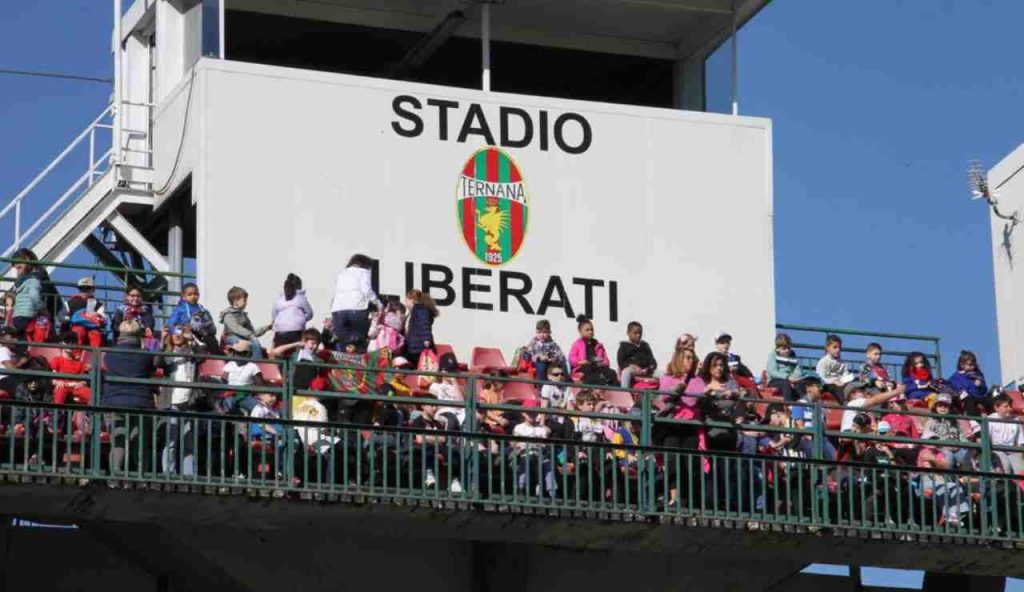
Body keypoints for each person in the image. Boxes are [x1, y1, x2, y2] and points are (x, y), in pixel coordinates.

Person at [102, 320, 162, 472]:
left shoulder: (109, 355)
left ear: (120, 334)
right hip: (141, 402)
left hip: (113, 401)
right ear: (139, 335)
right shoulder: (147, 355)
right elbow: (156, 366)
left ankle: (114, 478)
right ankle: (141, 478)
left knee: (118, 441)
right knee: (139, 442)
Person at [160, 325, 200, 475]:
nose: (177, 335)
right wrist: (162, 341)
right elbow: (157, 362)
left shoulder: (192, 353)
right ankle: (168, 473)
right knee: (171, 441)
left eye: (181, 332)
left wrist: (193, 339)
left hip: (189, 401)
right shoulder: (168, 353)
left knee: (189, 442)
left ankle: (189, 474)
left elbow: (203, 355)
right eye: (174, 332)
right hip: (172, 402)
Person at [686, 351, 744, 452]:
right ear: (708, 367)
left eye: (721, 365)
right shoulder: (702, 382)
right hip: (708, 427)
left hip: (728, 426)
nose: (718, 368)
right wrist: (707, 391)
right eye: (715, 365)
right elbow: (695, 402)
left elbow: (739, 394)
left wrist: (732, 393)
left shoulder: (730, 382)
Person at [330, 254, 383, 352]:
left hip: (337, 311)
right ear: (365, 264)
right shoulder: (363, 272)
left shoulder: (341, 273)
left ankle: (343, 365)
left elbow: (335, 294)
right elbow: (366, 290)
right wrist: (379, 304)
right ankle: (359, 364)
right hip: (356, 309)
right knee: (359, 342)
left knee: (344, 342)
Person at [410, 396, 461, 492]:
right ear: (423, 406)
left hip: (439, 447)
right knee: (427, 448)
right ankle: (429, 475)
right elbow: (419, 439)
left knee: (453, 452)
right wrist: (434, 439)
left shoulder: (438, 423)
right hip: (424, 449)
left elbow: (443, 439)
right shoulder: (418, 421)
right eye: (432, 405)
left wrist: (427, 437)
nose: (435, 408)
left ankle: (454, 481)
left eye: (436, 405)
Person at [512, 399, 555, 497]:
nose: (532, 415)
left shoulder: (542, 428)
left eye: (534, 413)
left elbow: (545, 442)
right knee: (526, 461)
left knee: (547, 464)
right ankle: (521, 488)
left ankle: (552, 492)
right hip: (525, 454)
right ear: (523, 413)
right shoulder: (519, 427)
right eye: (529, 413)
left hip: (540, 455)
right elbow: (516, 443)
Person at [9, 250, 51, 346]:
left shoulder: (21, 281)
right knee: (42, 324)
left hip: (17, 316)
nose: (16, 267)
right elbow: (34, 297)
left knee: (21, 336)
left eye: (18, 264)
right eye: (15, 265)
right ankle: (35, 345)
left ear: (27, 260)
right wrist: (43, 309)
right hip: (28, 315)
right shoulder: (33, 280)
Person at [789, 376, 834, 459]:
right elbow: (799, 426)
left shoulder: (821, 406)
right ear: (809, 388)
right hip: (805, 438)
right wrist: (810, 437)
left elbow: (824, 425)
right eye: (818, 386)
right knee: (815, 452)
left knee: (833, 456)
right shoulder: (800, 404)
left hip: (820, 436)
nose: (821, 389)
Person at [167, 283, 219, 354]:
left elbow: (210, 323)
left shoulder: (203, 310)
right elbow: (171, 324)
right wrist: (182, 330)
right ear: (183, 297)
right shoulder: (180, 309)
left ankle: (218, 357)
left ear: (199, 295)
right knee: (199, 349)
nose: (193, 296)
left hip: (203, 335)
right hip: (188, 337)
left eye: (195, 294)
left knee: (213, 342)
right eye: (190, 295)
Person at [220, 286, 270, 360]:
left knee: (255, 341)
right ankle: (256, 363)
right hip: (231, 337)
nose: (246, 303)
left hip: (243, 337)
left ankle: (257, 364)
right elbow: (235, 328)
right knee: (249, 344)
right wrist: (250, 335)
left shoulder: (243, 315)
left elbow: (252, 332)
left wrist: (266, 328)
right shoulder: (228, 315)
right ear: (236, 301)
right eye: (244, 300)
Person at [921, 393, 969, 469]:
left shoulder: (955, 421)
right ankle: (949, 479)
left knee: (966, 456)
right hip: (942, 449)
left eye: (946, 406)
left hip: (957, 447)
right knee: (948, 458)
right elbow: (927, 437)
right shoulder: (931, 421)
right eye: (940, 405)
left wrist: (963, 445)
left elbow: (961, 435)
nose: (943, 408)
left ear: (950, 407)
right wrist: (941, 446)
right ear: (935, 406)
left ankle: (966, 479)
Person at [568, 315, 617, 386]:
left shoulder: (598, 345)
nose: (590, 332)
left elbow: (606, 360)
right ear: (580, 331)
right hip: (583, 368)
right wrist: (580, 362)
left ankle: (615, 392)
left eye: (591, 329)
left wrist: (601, 363)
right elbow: (571, 358)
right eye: (587, 330)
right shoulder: (577, 344)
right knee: (592, 375)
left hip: (597, 367)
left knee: (612, 373)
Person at [839, 383, 905, 433]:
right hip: (850, 437)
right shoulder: (853, 403)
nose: (865, 392)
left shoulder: (864, 410)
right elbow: (875, 400)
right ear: (853, 394)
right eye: (862, 390)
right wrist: (897, 391)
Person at [220, 341, 265, 414]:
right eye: (234, 352)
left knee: (258, 408)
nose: (235, 355)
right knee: (228, 405)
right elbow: (223, 380)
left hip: (245, 395)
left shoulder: (252, 366)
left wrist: (246, 389)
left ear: (247, 354)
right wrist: (227, 390)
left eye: (239, 353)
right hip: (230, 394)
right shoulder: (230, 364)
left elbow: (259, 384)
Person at [271, 273, 313, 348]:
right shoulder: (301, 299)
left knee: (280, 354)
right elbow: (310, 313)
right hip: (297, 331)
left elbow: (274, 315)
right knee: (297, 352)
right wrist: (303, 319)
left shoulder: (279, 300)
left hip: (280, 332)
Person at [50, 332, 91, 406]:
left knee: (90, 393)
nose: (70, 344)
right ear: (61, 343)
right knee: (59, 391)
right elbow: (52, 378)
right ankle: (57, 414)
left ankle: (90, 415)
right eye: (67, 341)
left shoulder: (79, 364)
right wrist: (57, 382)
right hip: (63, 386)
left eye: (73, 342)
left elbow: (84, 380)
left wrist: (81, 383)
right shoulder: (57, 360)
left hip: (76, 386)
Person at [815, 334, 857, 404]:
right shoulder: (823, 361)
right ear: (827, 348)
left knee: (853, 385)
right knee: (835, 388)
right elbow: (821, 377)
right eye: (835, 347)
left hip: (841, 383)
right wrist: (833, 381)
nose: (838, 350)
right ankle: (844, 403)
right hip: (828, 384)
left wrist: (845, 379)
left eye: (839, 348)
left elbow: (845, 374)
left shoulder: (843, 362)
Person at [987, 394, 1024, 475]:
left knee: (1021, 470)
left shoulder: (1016, 420)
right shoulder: (989, 420)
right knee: (1005, 466)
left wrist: (1020, 456)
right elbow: (986, 440)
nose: (1009, 408)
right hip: (997, 449)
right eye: (1006, 406)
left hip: (1012, 450)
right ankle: (1005, 486)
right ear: (996, 408)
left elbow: (1020, 441)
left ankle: (1019, 487)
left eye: (1010, 406)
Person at [67, 277, 107, 348]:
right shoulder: (71, 302)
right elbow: (62, 315)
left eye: (87, 289)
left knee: (95, 335)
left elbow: (103, 317)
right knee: (78, 331)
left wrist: (98, 315)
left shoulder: (97, 304)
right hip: (76, 326)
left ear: (93, 290)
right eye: (82, 289)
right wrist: (68, 319)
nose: (84, 291)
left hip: (92, 328)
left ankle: (94, 356)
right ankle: (76, 354)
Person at [429, 353, 465, 431]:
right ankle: (450, 442)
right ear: (442, 371)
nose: (451, 374)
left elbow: (461, 404)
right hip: (443, 413)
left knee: (471, 417)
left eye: (453, 371)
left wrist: (455, 383)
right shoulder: (435, 386)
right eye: (448, 371)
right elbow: (433, 406)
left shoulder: (459, 388)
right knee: (451, 418)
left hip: (459, 413)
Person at [616, 321, 657, 389]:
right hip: (633, 370)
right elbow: (621, 362)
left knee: (663, 374)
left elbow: (652, 359)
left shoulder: (645, 345)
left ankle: (664, 396)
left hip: (647, 370)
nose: (638, 335)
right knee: (626, 372)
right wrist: (632, 366)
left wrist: (651, 367)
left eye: (640, 333)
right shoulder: (624, 346)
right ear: (628, 333)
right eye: (635, 333)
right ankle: (625, 392)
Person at [948, 350, 989, 416]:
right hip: (965, 397)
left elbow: (984, 390)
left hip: (978, 396)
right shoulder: (957, 375)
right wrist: (961, 390)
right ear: (962, 364)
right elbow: (952, 385)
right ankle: (973, 419)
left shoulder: (978, 375)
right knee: (970, 400)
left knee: (988, 400)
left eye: (974, 364)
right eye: (970, 365)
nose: (972, 366)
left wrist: (980, 386)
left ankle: (994, 416)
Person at [765, 333, 804, 401]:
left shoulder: (792, 355)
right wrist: (788, 377)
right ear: (778, 349)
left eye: (788, 348)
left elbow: (797, 369)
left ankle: (805, 403)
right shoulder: (772, 356)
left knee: (800, 384)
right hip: (775, 380)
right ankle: (789, 404)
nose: (787, 351)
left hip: (791, 379)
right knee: (786, 383)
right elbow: (772, 372)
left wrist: (795, 377)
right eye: (784, 349)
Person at [404, 289, 438, 361]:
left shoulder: (420, 310)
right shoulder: (411, 314)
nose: (406, 303)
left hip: (419, 347)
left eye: (406, 300)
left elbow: (424, 325)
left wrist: (426, 339)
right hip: (413, 348)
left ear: (412, 300)